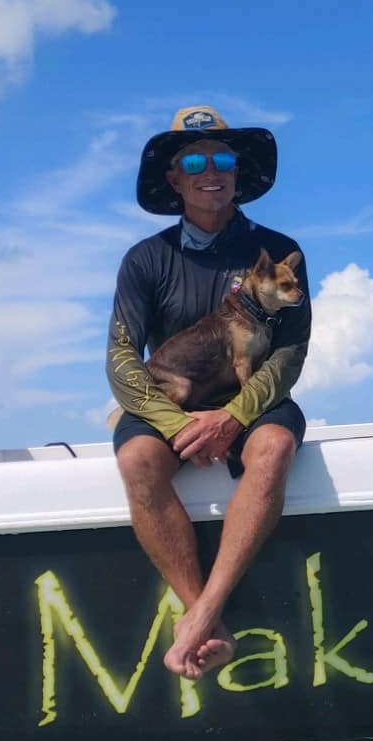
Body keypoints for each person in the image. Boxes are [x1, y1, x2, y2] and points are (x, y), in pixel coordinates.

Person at [107, 106, 311, 680]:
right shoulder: (145, 259)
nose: (211, 171)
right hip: (168, 403)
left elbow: (290, 353)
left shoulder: (280, 251)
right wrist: (178, 426)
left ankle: (199, 618)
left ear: (238, 173)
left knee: (274, 447)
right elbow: (121, 357)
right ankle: (208, 620)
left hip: (252, 399)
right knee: (138, 460)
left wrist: (232, 417)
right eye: (193, 163)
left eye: (223, 159)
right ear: (174, 180)